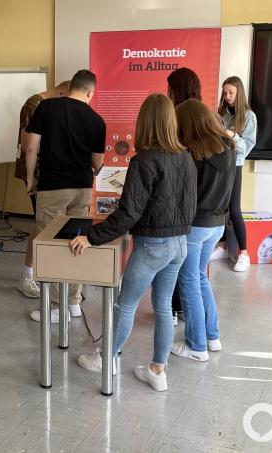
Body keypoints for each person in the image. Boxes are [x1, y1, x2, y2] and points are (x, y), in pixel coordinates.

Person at [72, 94, 196, 392]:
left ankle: (108, 358)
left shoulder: (144, 160)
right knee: (164, 306)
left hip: (153, 246)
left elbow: (128, 213)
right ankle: (158, 370)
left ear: (145, 122)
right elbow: (190, 204)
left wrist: (91, 237)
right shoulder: (186, 156)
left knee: (125, 305)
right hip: (180, 245)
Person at [23, 69, 105, 323]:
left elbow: (30, 146)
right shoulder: (96, 120)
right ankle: (73, 303)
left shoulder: (46, 108)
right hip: (81, 187)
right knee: (77, 242)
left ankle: (57, 308)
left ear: (71, 87)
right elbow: (98, 164)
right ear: (90, 92)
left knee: (51, 246)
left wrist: (30, 179)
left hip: (52, 186)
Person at [171, 99, 236, 362]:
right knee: (199, 277)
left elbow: (183, 196)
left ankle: (197, 345)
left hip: (195, 226)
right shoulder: (229, 149)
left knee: (189, 282)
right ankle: (212, 336)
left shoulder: (192, 155)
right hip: (217, 225)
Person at [14, 81, 70, 299]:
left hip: (51, 173)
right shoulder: (34, 104)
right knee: (41, 225)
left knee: (47, 224)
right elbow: (28, 143)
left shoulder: (50, 105)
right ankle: (28, 275)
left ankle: (43, 275)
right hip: (37, 175)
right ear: (62, 92)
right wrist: (32, 178)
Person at [166, 66, 202, 325]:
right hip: (202, 198)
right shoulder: (204, 114)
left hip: (179, 196)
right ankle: (181, 309)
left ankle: (172, 308)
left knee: (176, 261)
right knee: (192, 269)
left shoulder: (177, 116)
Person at [210, 76, 257, 272]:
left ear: (239, 93)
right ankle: (223, 245)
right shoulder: (221, 113)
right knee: (220, 206)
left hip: (235, 165)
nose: (227, 96)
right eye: (225, 93)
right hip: (219, 163)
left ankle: (244, 253)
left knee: (234, 209)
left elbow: (246, 147)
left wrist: (230, 134)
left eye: (230, 93)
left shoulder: (248, 116)